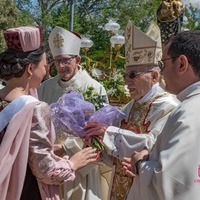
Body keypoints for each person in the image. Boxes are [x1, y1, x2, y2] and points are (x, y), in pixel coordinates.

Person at [84, 21, 180, 200]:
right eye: (125, 75)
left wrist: (107, 134)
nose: (127, 81)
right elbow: (114, 152)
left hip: (145, 189)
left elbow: (153, 146)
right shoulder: (129, 106)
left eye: (133, 75)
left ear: (154, 76)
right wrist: (96, 143)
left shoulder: (169, 107)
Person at [0, 26, 97, 200]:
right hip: (26, 190)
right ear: (31, 68)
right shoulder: (35, 108)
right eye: (45, 65)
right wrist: (72, 164)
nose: (46, 71)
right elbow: (45, 170)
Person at [122, 30, 200, 200]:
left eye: (162, 64)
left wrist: (140, 163)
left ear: (181, 64)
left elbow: (176, 183)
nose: (161, 72)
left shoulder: (188, 112)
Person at [38, 26, 110, 200]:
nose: (61, 66)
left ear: (77, 59)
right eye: (57, 61)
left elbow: (99, 135)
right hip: (51, 163)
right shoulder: (44, 88)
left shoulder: (94, 88)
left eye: (66, 60)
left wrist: (65, 148)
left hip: (82, 166)